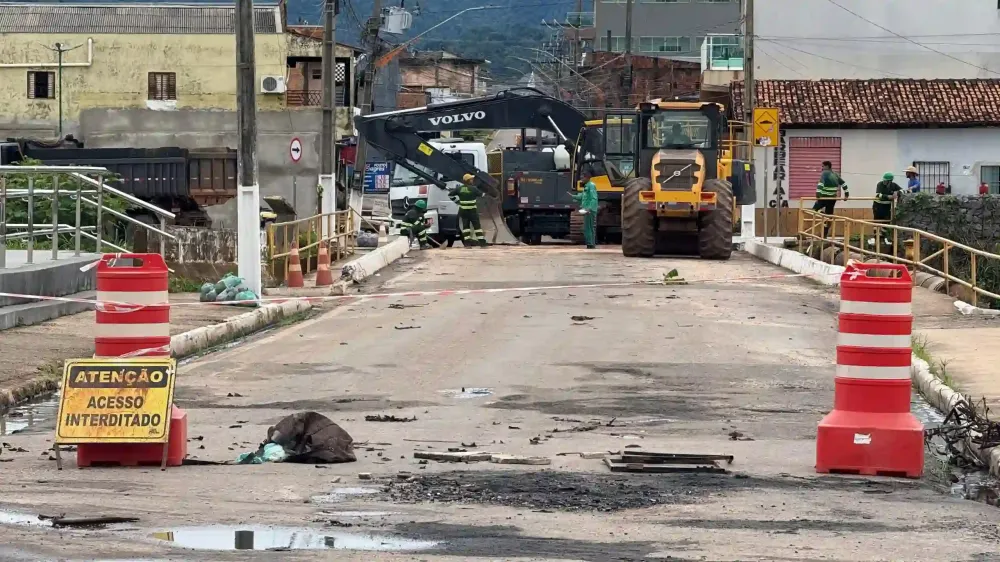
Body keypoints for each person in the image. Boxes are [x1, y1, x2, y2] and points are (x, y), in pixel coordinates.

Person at [449, 174, 487, 247]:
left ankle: (467, 244)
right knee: (477, 227)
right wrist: (486, 191)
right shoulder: (474, 189)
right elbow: (482, 195)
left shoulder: (459, 189)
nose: (472, 180)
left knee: (466, 227)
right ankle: (482, 243)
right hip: (472, 211)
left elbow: (450, 195)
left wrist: (457, 202)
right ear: (468, 180)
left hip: (463, 211)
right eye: (471, 179)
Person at [814, 161, 849, 236]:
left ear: (827, 166)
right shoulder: (835, 174)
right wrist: (846, 194)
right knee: (829, 216)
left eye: (823, 166)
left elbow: (821, 183)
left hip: (824, 198)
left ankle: (822, 213)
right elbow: (844, 184)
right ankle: (825, 234)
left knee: (814, 210)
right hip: (832, 199)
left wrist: (818, 194)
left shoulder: (824, 173)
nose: (822, 168)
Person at [570, 169, 599, 249]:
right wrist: (574, 196)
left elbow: (594, 198)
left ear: (587, 177)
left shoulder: (591, 186)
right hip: (586, 209)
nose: (581, 179)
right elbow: (582, 196)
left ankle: (591, 244)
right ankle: (590, 244)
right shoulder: (586, 186)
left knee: (588, 227)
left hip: (589, 210)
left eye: (583, 177)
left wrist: (589, 208)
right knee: (588, 227)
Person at [873, 172, 902, 243]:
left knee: (886, 223)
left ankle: (884, 238)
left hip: (887, 207)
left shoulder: (893, 185)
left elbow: (901, 190)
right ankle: (876, 239)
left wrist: (897, 192)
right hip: (878, 206)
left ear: (890, 181)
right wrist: (888, 196)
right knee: (877, 222)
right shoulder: (880, 184)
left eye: (886, 181)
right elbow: (878, 194)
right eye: (884, 180)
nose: (884, 182)